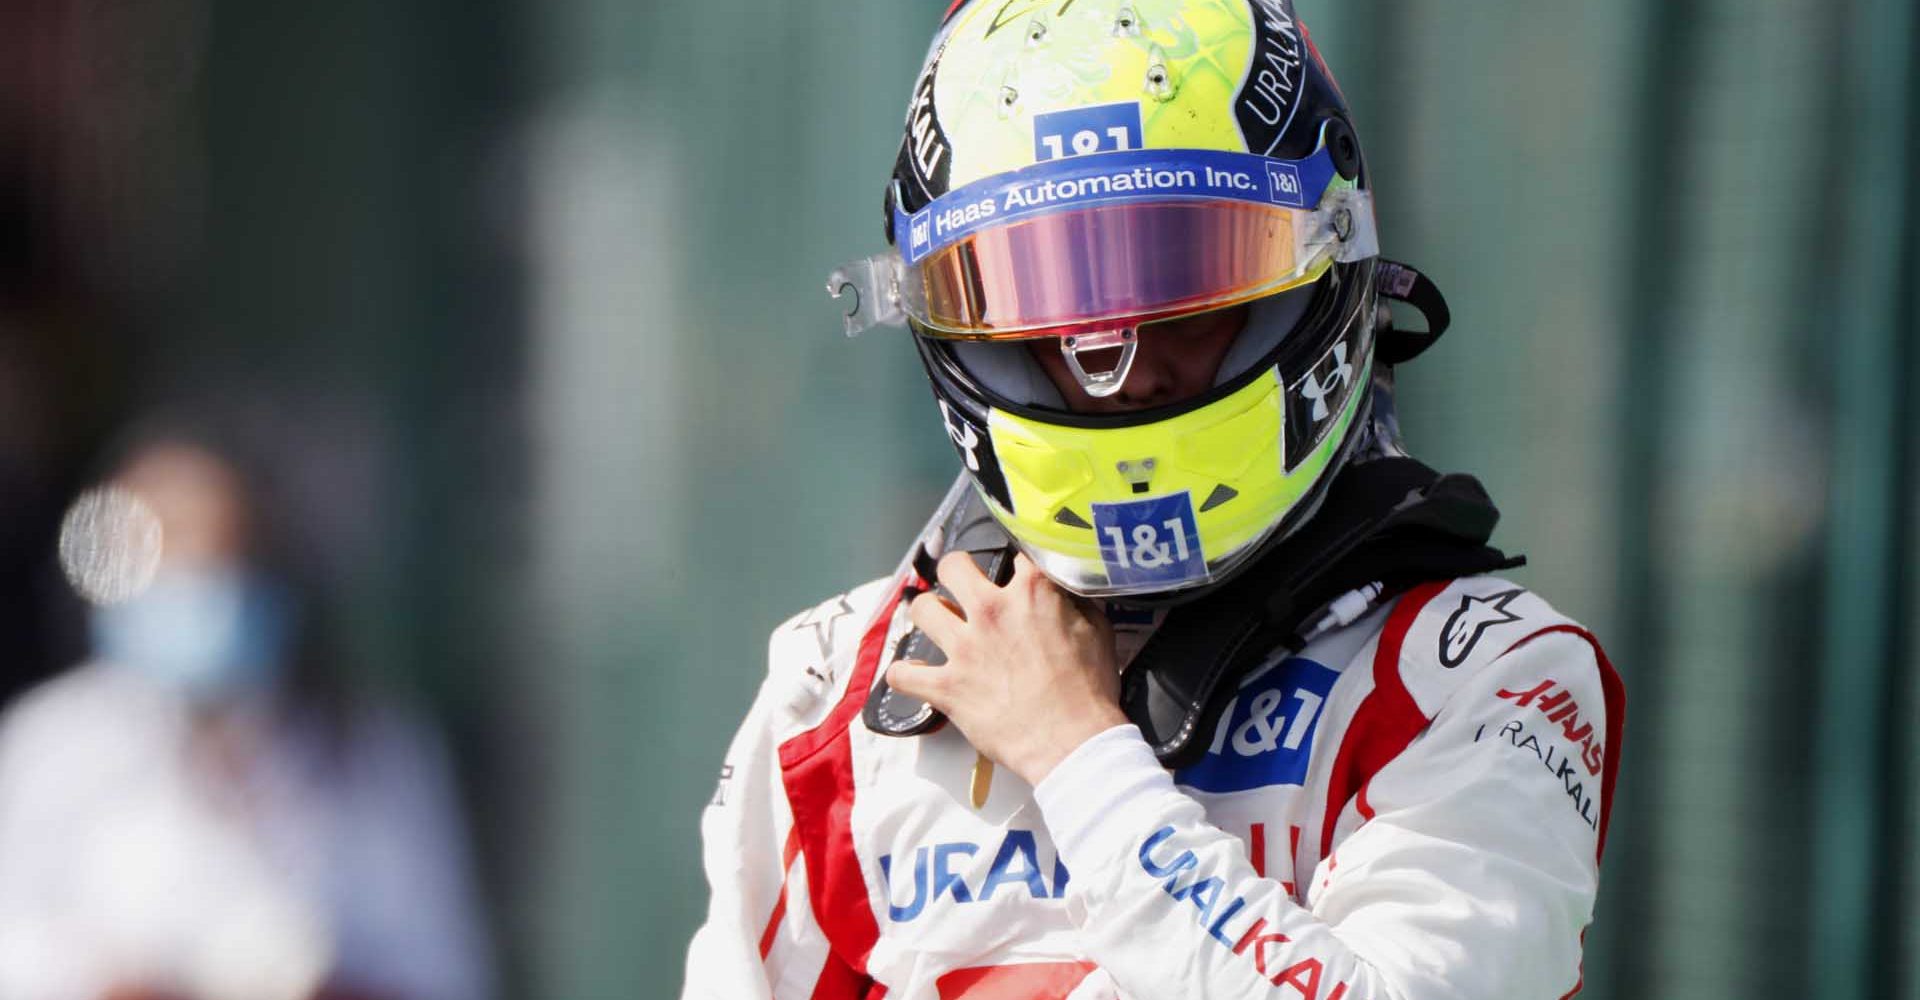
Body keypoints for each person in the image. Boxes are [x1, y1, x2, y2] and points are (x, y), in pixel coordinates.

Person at [683, 2, 1624, 997]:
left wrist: (1079, 755)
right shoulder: (835, 692)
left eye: (1181, 285)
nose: (1120, 374)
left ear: (1319, 263)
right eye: (1039, 300)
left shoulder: (1489, 679)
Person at [0, 427, 493, 1000]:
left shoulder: (372, 746)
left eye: (211, 551)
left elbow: (445, 972)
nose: (184, 575)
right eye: (153, 553)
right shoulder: (53, 740)